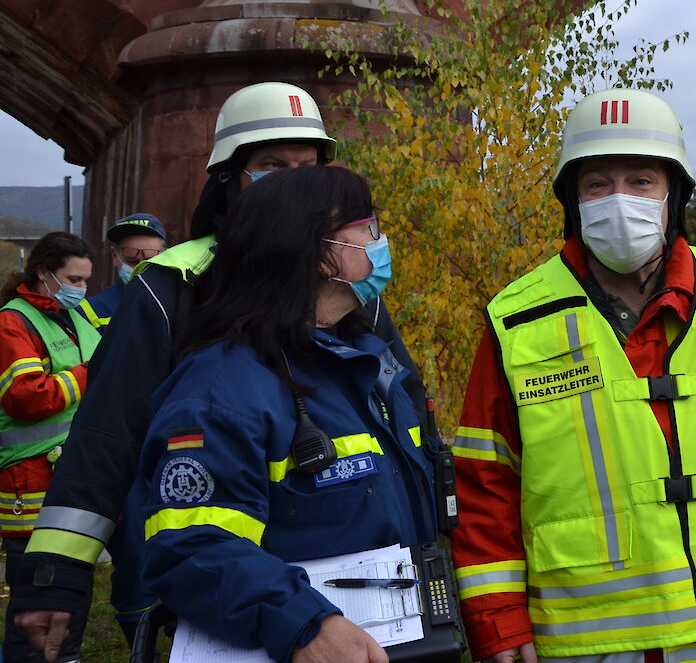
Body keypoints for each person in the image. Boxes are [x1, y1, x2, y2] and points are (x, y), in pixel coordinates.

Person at [12, 82, 433, 660]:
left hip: (372, 595)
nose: (292, 182)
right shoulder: (173, 284)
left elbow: (403, 416)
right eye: (272, 166)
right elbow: (108, 436)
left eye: (306, 167)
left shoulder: (350, 284)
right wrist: (55, 575)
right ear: (230, 177)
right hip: (221, 572)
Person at [451, 88, 696, 663]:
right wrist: (498, 621)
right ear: (573, 200)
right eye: (597, 185)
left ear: (672, 196)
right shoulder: (517, 320)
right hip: (589, 645)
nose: (620, 201)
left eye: (640, 181)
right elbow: (486, 484)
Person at [135, 165, 437, 663]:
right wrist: (300, 623)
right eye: (368, 229)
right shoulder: (222, 389)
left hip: (399, 642)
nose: (379, 242)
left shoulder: (364, 364)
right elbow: (191, 547)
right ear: (321, 255)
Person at [1, 232, 98, 663]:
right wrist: (89, 373)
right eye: (72, 279)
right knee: (36, 599)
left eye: (86, 281)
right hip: (30, 483)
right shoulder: (12, 322)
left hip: (72, 476)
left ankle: (66, 656)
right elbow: (26, 396)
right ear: (44, 275)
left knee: (71, 583)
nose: (80, 289)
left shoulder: (71, 316)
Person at [77, 213, 167, 333]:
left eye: (149, 260)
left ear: (165, 255)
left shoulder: (182, 303)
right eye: (132, 260)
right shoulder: (90, 311)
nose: (139, 269)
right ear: (114, 256)